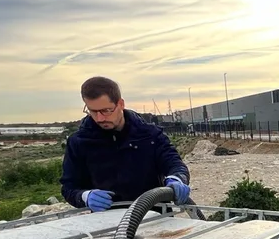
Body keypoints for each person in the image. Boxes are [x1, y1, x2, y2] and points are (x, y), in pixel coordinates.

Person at [60, 76, 192, 211]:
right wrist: (84, 196)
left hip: (155, 218)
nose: (99, 118)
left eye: (106, 111)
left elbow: (175, 164)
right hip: (107, 224)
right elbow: (69, 187)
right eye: (93, 111)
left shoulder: (150, 135)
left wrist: (177, 179)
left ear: (120, 104)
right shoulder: (79, 142)